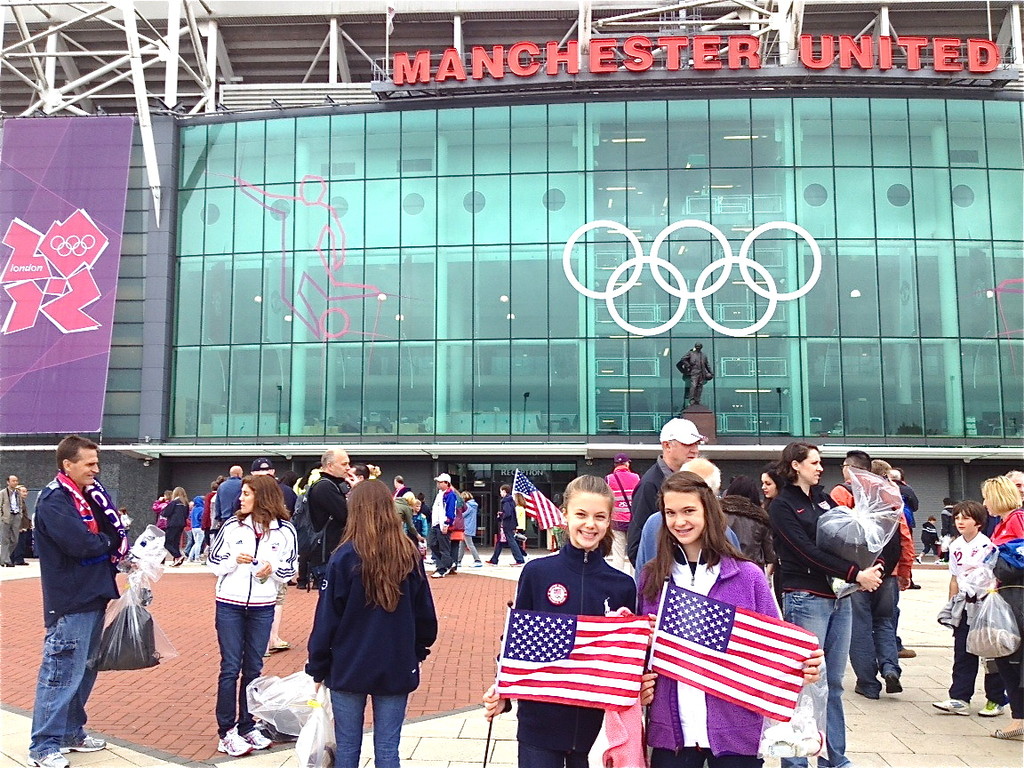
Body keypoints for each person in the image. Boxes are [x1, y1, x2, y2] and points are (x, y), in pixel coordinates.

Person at [638, 471, 824, 768]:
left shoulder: (748, 576)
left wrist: (805, 663)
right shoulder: (652, 577)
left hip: (737, 730)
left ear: (708, 512)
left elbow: (773, 646)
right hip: (672, 733)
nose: (679, 521)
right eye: (670, 513)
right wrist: (640, 677)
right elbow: (642, 650)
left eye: (689, 511)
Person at [482, 475, 641, 767]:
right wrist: (502, 690)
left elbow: (624, 658)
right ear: (564, 514)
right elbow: (515, 642)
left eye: (599, 517)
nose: (589, 525)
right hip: (539, 721)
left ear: (609, 522)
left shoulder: (621, 586)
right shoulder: (537, 573)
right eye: (581, 514)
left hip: (590, 724)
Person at [306, 479, 437, 768]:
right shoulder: (407, 554)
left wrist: (317, 664)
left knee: (348, 746)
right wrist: (417, 649)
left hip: (348, 663)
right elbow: (425, 616)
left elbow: (327, 619)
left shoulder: (343, 556)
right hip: (396, 662)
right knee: (389, 749)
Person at [768, 441, 883, 768]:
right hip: (805, 597)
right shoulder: (782, 506)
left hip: (837, 596)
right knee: (805, 684)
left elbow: (844, 540)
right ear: (795, 465)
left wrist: (868, 561)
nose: (820, 468)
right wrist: (854, 573)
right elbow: (804, 550)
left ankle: (835, 759)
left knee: (832, 684)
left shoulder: (823, 499)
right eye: (814, 463)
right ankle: (796, 761)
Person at [29, 435, 129, 768]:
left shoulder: (88, 498)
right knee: (60, 673)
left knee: (84, 670)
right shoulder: (55, 501)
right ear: (67, 465)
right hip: (70, 601)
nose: (95, 470)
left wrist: (107, 541)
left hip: (94, 595)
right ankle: (43, 745)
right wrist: (107, 538)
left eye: (97, 463)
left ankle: (72, 732)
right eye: (89, 464)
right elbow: (82, 545)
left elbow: (102, 539)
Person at [207, 473, 297, 757]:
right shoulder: (232, 526)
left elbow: (290, 569)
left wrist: (272, 568)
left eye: (247, 493)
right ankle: (226, 731)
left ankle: (247, 725)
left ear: (263, 497)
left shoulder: (285, 531)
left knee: (254, 668)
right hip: (230, 603)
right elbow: (213, 562)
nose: (241, 498)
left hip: (263, 604)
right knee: (230, 667)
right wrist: (234, 561)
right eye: (242, 493)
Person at [932, 500, 1009, 718]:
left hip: (985, 603)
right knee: (962, 652)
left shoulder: (988, 545)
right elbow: (954, 578)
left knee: (990, 653)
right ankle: (959, 698)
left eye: (965, 517)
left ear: (978, 522)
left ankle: (995, 699)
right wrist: (952, 605)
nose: (960, 522)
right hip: (964, 604)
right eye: (957, 518)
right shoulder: (955, 546)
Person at [626, 418, 705, 566]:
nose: (695, 450)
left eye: (697, 444)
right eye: (688, 444)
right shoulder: (649, 485)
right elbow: (636, 547)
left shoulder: (695, 481)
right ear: (667, 445)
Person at [982, 474, 1024, 740]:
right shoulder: (1006, 522)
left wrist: (995, 562)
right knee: (1006, 657)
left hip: (1016, 597)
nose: (984, 503)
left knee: (1010, 657)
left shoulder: (1016, 520)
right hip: (1007, 595)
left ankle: (1019, 717)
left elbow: (1017, 559)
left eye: (986, 497)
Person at [301, 447, 352, 589]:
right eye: (344, 464)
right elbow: (348, 516)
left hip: (331, 554)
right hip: (327, 556)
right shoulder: (325, 487)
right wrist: (356, 492)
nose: (348, 468)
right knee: (331, 604)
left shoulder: (333, 485)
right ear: (329, 466)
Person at [721, 475, 776, 571]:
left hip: (724, 568)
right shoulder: (760, 517)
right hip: (753, 569)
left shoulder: (718, 514)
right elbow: (770, 555)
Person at [605, 452, 640, 574]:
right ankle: (634, 581)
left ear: (615, 465)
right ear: (626, 463)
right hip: (633, 522)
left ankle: (618, 581)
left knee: (618, 555)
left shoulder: (609, 479)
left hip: (617, 522)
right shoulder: (636, 478)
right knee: (634, 553)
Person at [486, 483, 525, 567]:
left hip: (507, 525)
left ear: (504, 491)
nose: (500, 493)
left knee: (511, 541)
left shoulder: (506, 501)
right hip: (511, 524)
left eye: (501, 491)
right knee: (500, 542)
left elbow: (507, 513)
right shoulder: (511, 501)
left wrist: (500, 515)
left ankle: (520, 559)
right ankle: (494, 559)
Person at [428, 473, 459, 577]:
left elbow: (450, 510)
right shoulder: (440, 494)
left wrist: (447, 523)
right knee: (433, 544)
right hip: (436, 523)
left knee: (443, 547)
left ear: (447, 483)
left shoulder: (450, 495)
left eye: (440, 482)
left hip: (443, 524)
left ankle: (442, 568)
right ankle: (448, 563)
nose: (438, 484)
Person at [676, 342, 714, 408]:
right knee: (693, 385)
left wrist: (711, 372)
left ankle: (697, 400)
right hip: (694, 372)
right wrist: (687, 366)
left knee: (699, 386)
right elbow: (683, 359)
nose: (698, 347)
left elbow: (707, 365)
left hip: (701, 372)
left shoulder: (704, 355)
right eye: (697, 346)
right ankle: (692, 400)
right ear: (695, 347)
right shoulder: (691, 353)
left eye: (699, 346)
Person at [163, 487, 190, 567]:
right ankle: (176, 559)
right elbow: (186, 515)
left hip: (173, 524)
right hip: (181, 524)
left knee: (167, 543)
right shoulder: (185, 503)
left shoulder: (174, 502)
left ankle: (177, 556)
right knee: (175, 542)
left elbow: (165, 513)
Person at [1, 473, 24, 566]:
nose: (15, 482)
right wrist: (2, 516)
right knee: (5, 539)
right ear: (8, 482)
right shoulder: (3, 493)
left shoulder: (18, 493)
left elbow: (20, 504)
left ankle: (3, 557)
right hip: (6, 517)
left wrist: (20, 514)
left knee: (15, 540)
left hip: (16, 516)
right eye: (13, 481)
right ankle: (6, 560)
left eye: (16, 481)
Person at [457, 490, 483, 568]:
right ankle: (458, 560)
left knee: (470, 545)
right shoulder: (473, 505)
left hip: (466, 527)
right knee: (462, 545)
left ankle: (477, 560)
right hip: (469, 527)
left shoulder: (468, 506)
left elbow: (462, 515)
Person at [187, 495, 206, 562]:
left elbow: (190, 517)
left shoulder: (193, 509)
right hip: (200, 527)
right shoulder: (202, 509)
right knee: (199, 543)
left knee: (196, 543)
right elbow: (201, 518)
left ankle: (190, 557)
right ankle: (197, 557)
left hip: (193, 527)